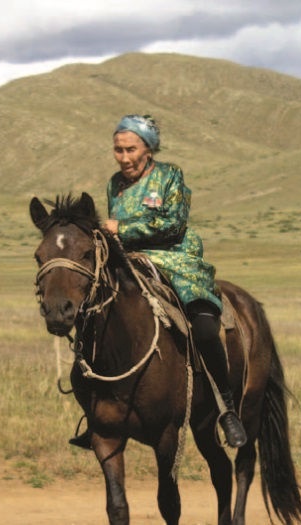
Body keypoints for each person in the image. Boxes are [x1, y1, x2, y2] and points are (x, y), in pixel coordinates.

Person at [70, 114, 247, 449]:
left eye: (130, 150)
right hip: (132, 261)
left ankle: (227, 408)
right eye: (118, 150)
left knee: (206, 327)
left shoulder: (170, 176)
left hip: (175, 259)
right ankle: (96, 412)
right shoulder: (115, 184)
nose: (123, 158)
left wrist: (120, 229)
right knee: (94, 314)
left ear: (148, 149)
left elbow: (174, 224)